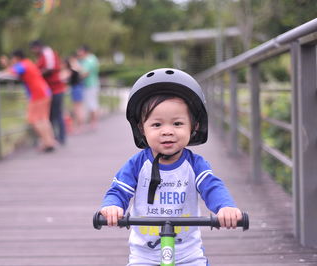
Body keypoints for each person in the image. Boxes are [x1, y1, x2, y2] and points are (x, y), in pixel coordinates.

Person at [99, 68, 243, 265]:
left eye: (177, 123)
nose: (167, 131)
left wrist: (225, 207)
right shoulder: (137, 165)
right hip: (144, 255)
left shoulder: (195, 165)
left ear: (194, 126)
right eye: (157, 125)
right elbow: (118, 190)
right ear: (142, 128)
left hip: (188, 254)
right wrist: (113, 207)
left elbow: (213, 187)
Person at [0, 50, 56, 152]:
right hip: (45, 92)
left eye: (12, 59)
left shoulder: (22, 65)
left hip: (37, 95)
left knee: (34, 119)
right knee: (43, 119)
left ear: (16, 58)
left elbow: (9, 72)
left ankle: (47, 143)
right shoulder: (29, 63)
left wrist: (5, 65)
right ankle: (49, 142)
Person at [30, 40, 67, 145]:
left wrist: (36, 75)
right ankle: (54, 138)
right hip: (51, 89)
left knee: (56, 114)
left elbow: (49, 68)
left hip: (55, 89)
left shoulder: (47, 52)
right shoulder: (43, 55)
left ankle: (59, 138)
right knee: (53, 115)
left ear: (37, 47)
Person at [76, 45, 100, 129]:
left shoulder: (89, 60)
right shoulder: (91, 59)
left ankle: (93, 122)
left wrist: (77, 71)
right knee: (92, 103)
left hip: (90, 85)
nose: (78, 53)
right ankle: (93, 122)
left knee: (92, 104)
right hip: (91, 84)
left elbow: (84, 73)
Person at [65, 54, 85, 133]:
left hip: (76, 88)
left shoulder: (73, 69)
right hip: (78, 87)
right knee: (79, 106)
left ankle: (79, 125)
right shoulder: (76, 68)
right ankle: (80, 124)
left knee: (77, 107)